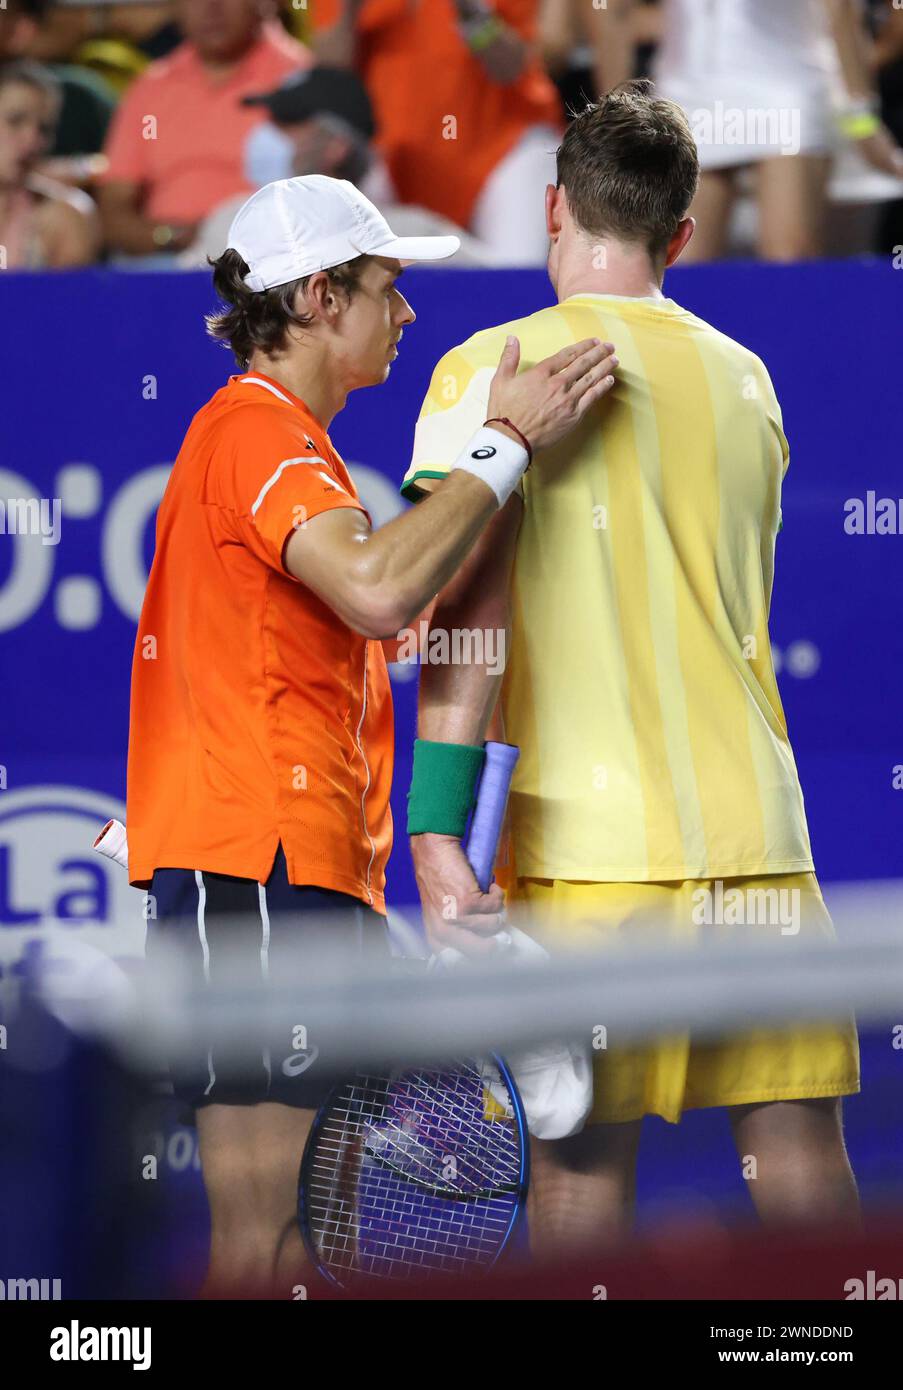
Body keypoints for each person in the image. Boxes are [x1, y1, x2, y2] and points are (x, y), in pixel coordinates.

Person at [126, 172, 616, 1293]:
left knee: (310, 1230)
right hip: (259, 868)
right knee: (269, 1234)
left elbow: (371, 615)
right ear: (314, 299)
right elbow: (379, 589)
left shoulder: (284, 444)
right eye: (386, 289)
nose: (406, 314)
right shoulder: (255, 431)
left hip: (296, 868)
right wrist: (507, 440)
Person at [401, 83, 860, 1254]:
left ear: (553, 208)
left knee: (580, 1187)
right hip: (762, 847)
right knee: (805, 1176)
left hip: (588, 865)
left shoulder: (482, 369)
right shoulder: (749, 382)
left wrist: (437, 825)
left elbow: (463, 614)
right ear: (682, 235)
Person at [595, 0, 903, 261]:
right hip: (687, 89)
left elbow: (839, 8)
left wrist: (861, 119)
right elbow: (615, 12)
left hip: (787, 85)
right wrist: (613, 121)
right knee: (676, 264)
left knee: (789, 259)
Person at [312, 0, 563, 266]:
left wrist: (470, 11)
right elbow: (328, 76)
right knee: (354, 264)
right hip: (397, 164)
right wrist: (350, 10)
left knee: (517, 280)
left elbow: (511, 67)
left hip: (504, 152)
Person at [185, 64, 496, 266]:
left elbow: (507, 284)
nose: (265, 135)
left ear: (336, 147)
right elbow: (169, 300)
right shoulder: (230, 224)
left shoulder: (413, 234)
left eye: (288, 122)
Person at [98, 0, 310, 256]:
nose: (211, 7)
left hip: (270, 260)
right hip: (165, 261)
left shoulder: (302, 80)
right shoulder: (150, 89)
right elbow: (114, 208)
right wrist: (171, 236)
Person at [0, 59, 99, 267]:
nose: (32, 140)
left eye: (44, 129)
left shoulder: (65, 217)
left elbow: (71, 299)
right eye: (15, 120)